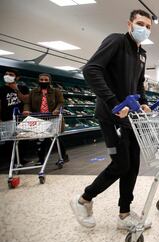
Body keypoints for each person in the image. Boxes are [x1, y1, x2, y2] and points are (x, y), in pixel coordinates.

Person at [70, 9, 152, 230]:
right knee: (120, 164)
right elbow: (91, 70)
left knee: (133, 164)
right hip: (111, 115)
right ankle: (83, 200)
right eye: (140, 24)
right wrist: (115, 103)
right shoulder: (116, 41)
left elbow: (138, 84)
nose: (143, 29)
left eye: (148, 26)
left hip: (130, 118)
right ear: (129, 24)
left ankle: (124, 214)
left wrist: (143, 102)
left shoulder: (142, 54)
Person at [23, 73, 69, 163]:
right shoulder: (33, 92)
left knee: (56, 138)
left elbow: (61, 103)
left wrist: (56, 109)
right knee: (40, 139)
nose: (43, 81)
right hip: (39, 118)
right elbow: (27, 103)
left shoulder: (56, 91)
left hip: (53, 118)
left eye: (45, 80)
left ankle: (63, 156)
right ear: (38, 81)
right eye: (41, 80)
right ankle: (41, 159)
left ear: (49, 81)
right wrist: (26, 110)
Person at [0, 69, 30, 164]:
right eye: (6, 74)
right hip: (7, 118)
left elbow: (26, 100)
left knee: (23, 140)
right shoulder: (1, 89)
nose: (7, 75)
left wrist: (16, 89)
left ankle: (21, 159)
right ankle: (11, 161)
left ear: (17, 77)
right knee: (9, 140)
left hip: (21, 118)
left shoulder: (23, 88)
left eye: (11, 74)